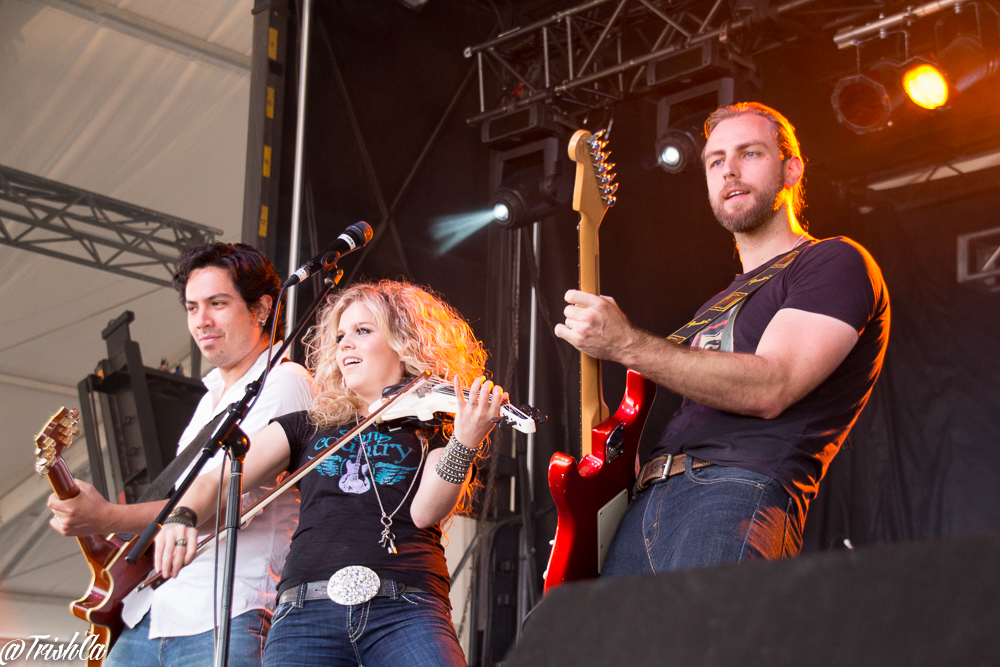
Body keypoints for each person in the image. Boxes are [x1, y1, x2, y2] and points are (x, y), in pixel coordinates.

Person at [555, 102, 890, 574]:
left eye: (749, 153)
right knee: (579, 647)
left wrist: (625, 343)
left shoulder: (834, 262)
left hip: (738, 487)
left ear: (791, 169)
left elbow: (772, 386)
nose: (728, 170)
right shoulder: (713, 305)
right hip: (648, 501)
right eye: (715, 161)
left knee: (701, 647)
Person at [154, 280, 503, 667]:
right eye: (340, 336)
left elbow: (425, 512)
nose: (346, 345)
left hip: (406, 605)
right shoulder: (308, 425)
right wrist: (181, 514)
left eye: (362, 331)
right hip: (306, 612)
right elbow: (218, 479)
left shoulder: (434, 426)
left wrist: (466, 441)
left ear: (405, 341)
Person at [49, 243, 314, 666]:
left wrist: (105, 517)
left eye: (217, 303)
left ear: (263, 308)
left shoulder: (285, 381)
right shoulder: (210, 395)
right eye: (192, 307)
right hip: (153, 611)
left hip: (226, 613)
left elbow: (223, 500)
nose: (201, 320)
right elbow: (179, 499)